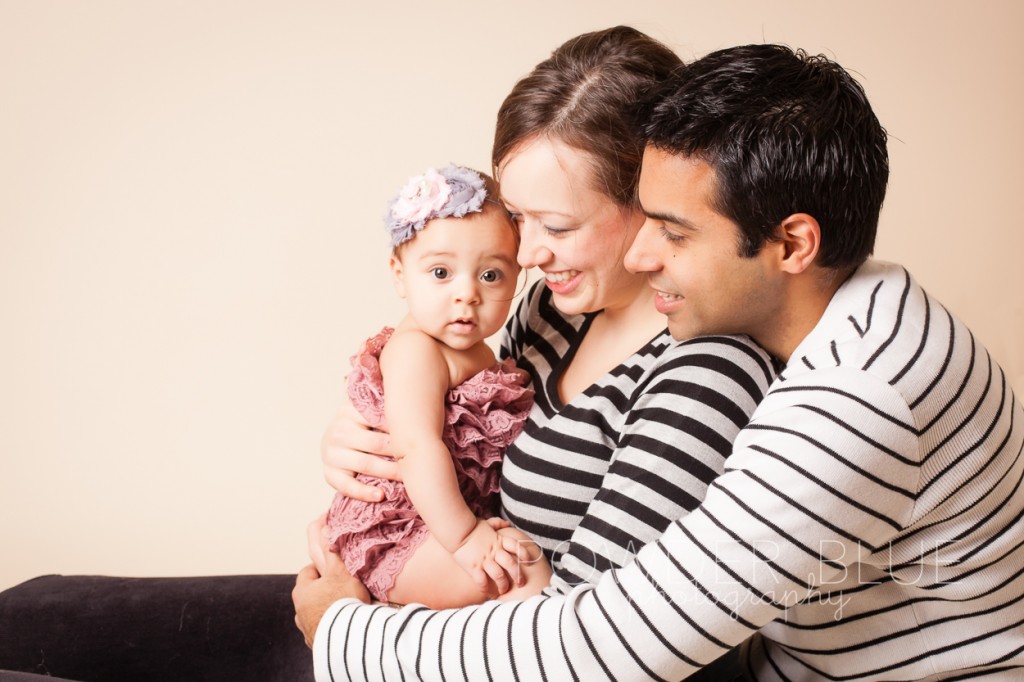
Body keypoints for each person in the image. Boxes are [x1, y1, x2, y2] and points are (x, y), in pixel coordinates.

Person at [293, 43, 1024, 681]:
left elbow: (615, 647)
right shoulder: (567, 309)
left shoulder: (855, 394)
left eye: (670, 231)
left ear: (794, 245)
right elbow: (464, 422)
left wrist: (346, 635)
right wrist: (381, 426)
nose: (644, 257)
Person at [311, 25, 775, 605]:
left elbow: (591, 637)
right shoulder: (552, 309)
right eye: (518, 218)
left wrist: (340, 623)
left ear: (649, 200)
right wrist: (363, 443)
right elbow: (465, 434)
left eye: (555, 226)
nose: (526, 256)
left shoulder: (703, 371)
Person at [316, 163, 549, 609]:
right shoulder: (416, 351)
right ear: (400, 274)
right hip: (397, 531)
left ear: (517, 278)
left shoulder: (477, 350)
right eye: (441, 273)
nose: (467, 294)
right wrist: (465, 538)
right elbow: (417, 448)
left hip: (440, 520)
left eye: (490, 275)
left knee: (520, 568)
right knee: (522, 574)